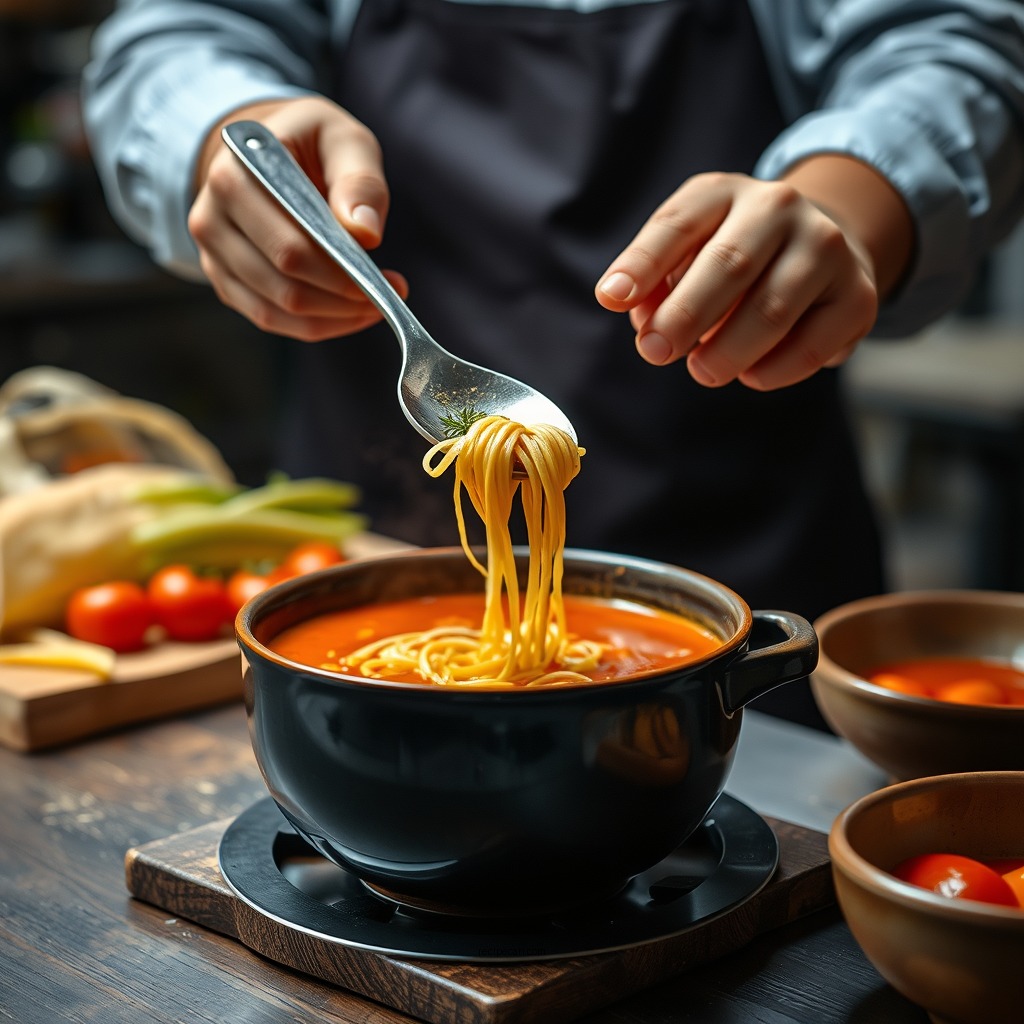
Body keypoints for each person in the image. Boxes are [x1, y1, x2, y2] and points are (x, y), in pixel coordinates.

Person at [81, 0, 1024, 728]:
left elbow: (963, 44)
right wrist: (226, 125)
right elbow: (174, 30)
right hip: (373, 544)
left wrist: (852, 203)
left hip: (755, 560)